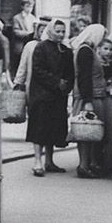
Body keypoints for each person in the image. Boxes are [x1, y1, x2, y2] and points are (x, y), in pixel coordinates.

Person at [26, 19, 74, 177]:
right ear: (51, 31)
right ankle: (37, 162)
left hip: (58, 96)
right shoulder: (41, 47)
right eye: (57, 31)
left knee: (52, 129)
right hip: (42, 95)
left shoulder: (66, 50)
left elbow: (71, 72)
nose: (60, 34)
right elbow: (38, 70)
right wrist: (56, 82)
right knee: (39, 129)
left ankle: (49, 161)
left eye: (63, 31)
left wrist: (66, 86)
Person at [71, 24, 108, 178]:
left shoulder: (86, 49)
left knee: (89, 131)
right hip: (89, 96)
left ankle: (88, 164)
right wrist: (87, 101)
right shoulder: (85, 51)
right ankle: (84, 165)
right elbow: (84, 77)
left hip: (90, 95)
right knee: (86, 131)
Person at [13, 17, 49, 106]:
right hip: (33, 84)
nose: (44, 34)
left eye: (47, 31)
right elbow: (23, 66)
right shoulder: (30, 46)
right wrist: (18, 82)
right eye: (42, 31)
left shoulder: (57, 47)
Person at [10, 0, 38, 78]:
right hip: (20, 44)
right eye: (27, 6)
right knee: (18, 61)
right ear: (22, 6)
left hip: (30, 43)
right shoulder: (17, 18)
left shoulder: (33, 18)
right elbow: (16, 31)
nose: (29, 9)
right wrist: (29, 33)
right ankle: (16, 78)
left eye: (31, 7)